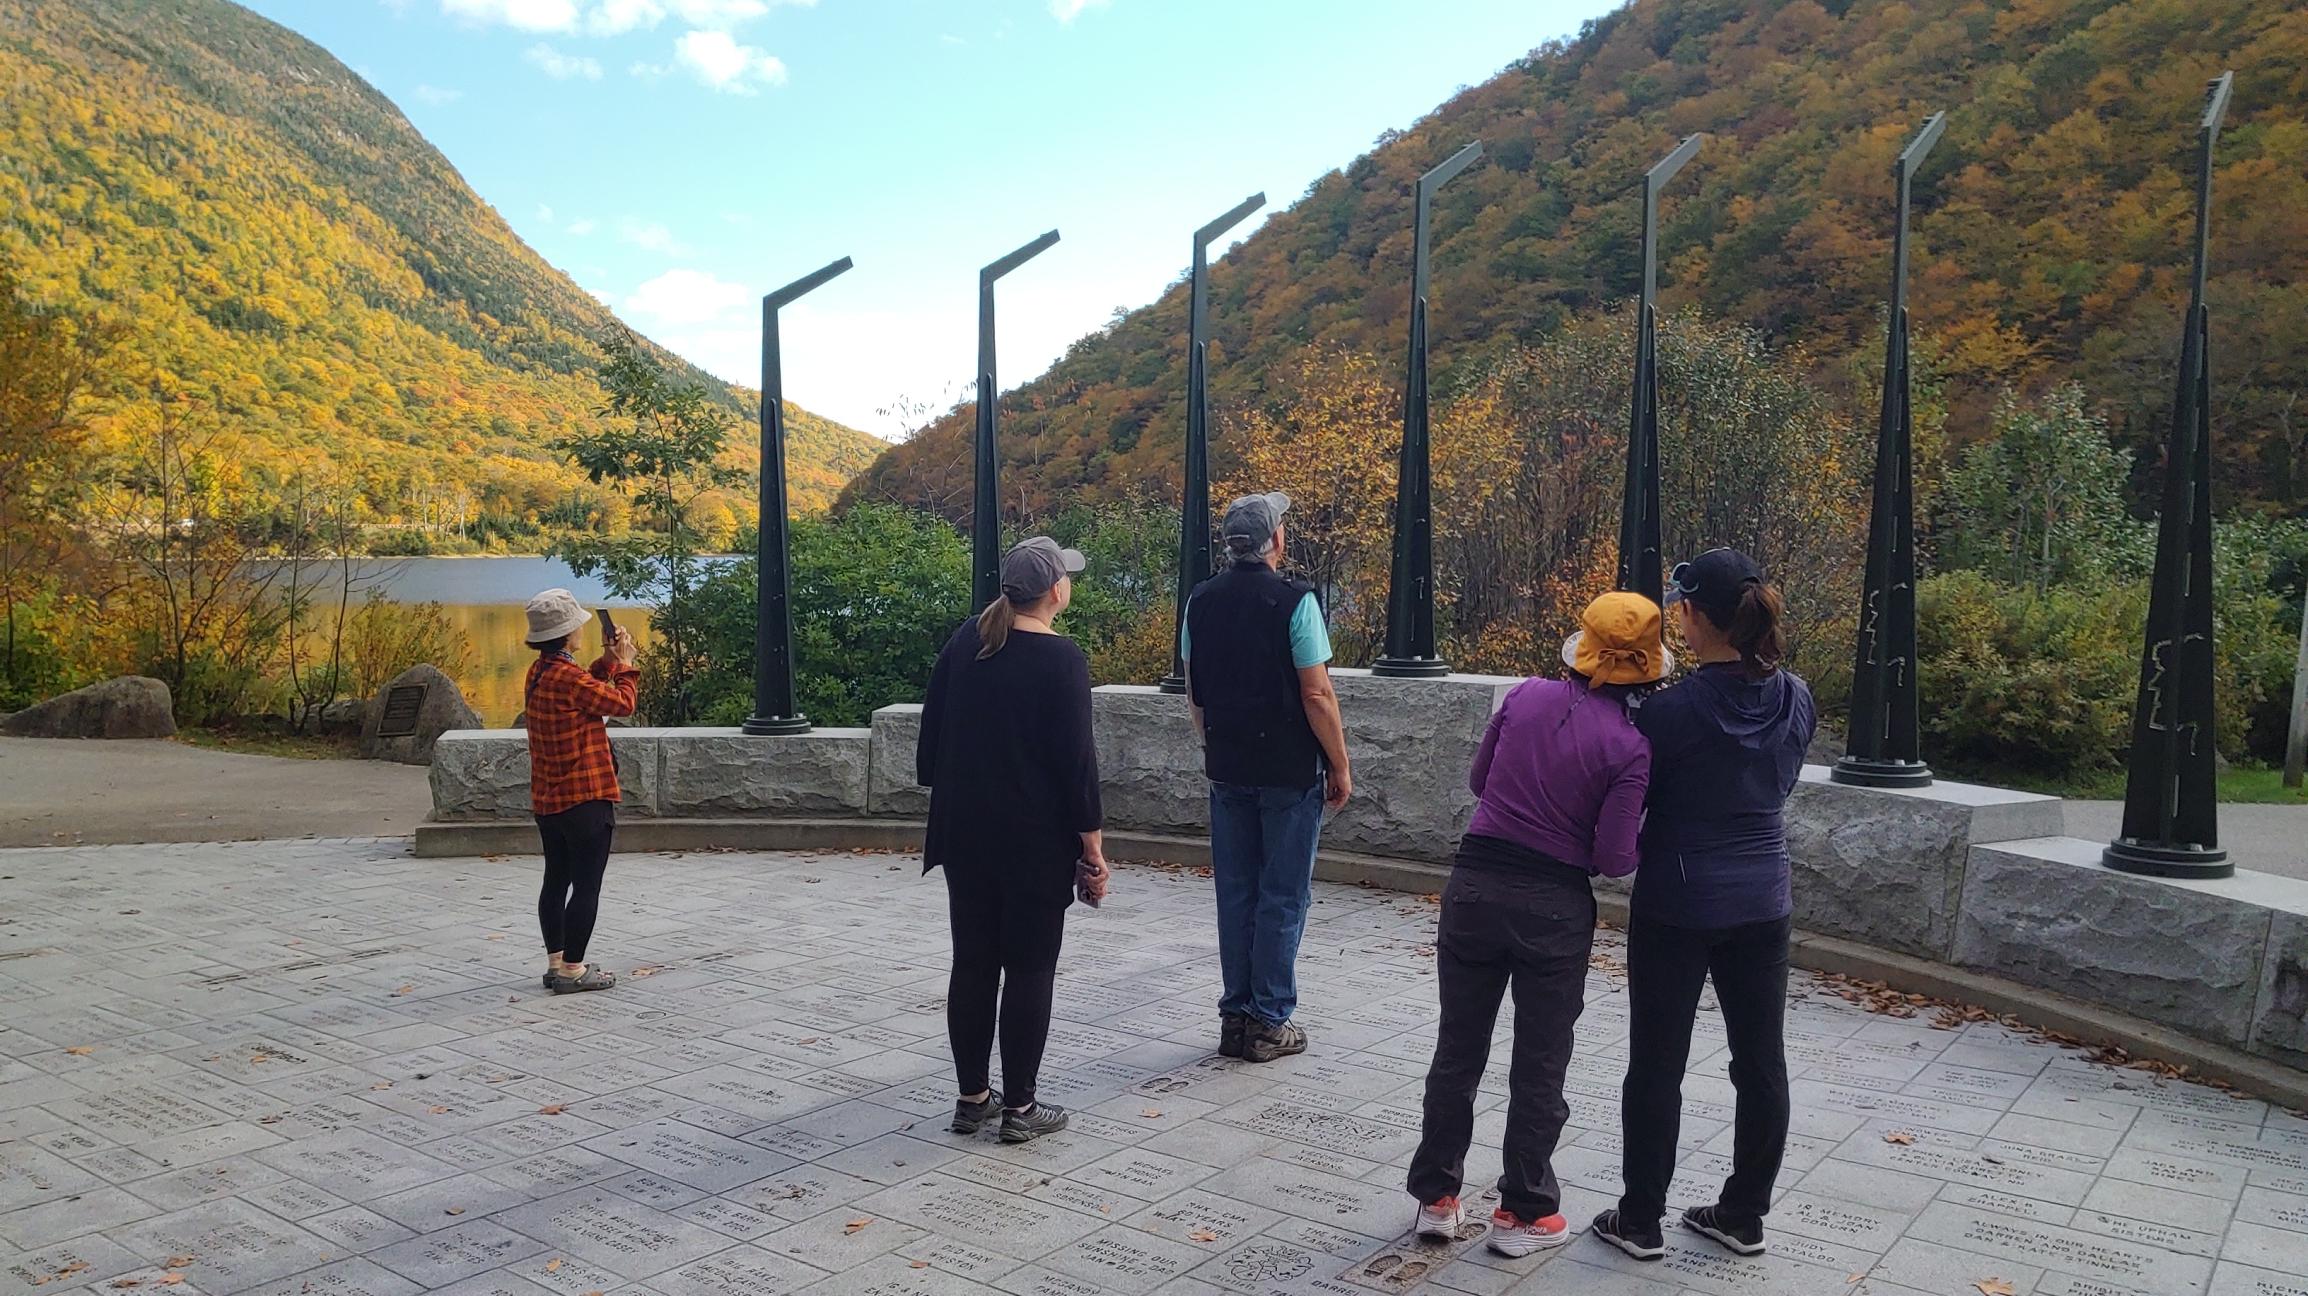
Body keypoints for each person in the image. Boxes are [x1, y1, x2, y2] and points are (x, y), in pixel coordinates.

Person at [1407, 592, 1663, 1257]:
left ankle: (1436, 1197)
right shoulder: (1630, 747)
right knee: (1540, 1062)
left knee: (1457, 1048)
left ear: (1580, 651)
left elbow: (1479, 781)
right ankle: (1524, 1212)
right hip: (1554, 906)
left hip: (1474, 884)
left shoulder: (1522, 696)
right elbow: (1615, 860)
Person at [1593, 549, 1816, 1262]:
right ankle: (1743, 1215)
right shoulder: (1797, 697)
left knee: (1657, 1064)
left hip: (1677, 903)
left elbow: (1633, 795)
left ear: (1690, 615)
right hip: (1764, 898)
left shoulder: (1670, 712)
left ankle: (1640, 1220)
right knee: (1761, 1062)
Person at [917, 536, 1109, 1144]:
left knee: (973, 963)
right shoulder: (1062, 659)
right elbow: (1077, 766)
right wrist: (1093, 851)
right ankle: (1021, 1108)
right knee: (1030, 969)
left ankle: (972, 1098)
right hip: (1033, 842)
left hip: (965, 834)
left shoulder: (965, 641)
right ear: (1055, 590)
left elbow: (929, 747)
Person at [1181, 491, 1350, 1064]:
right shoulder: (1296, 601)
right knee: (1282, 894)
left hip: (1227, 766)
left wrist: (1212, 745)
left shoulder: (1200, 600)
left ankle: (1235, 1015)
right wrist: (1339, 764)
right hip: (1287, 769)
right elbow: (1316, 692)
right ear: (1276, 539)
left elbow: (1195, 690)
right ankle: (1269, 1020)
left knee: (1236, 892)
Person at [520, 588, 639, 996]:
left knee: (556, 880)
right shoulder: (568, 679)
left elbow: (587, 687)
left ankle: (556, 963)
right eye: (578, 626)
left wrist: (607, 660)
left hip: (549, 799)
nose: (582, 631)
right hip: (585, 797)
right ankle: (573, 969)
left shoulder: (539, 672)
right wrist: (625, 665)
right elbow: (622, 704)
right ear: (567, 633)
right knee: (587, 886)